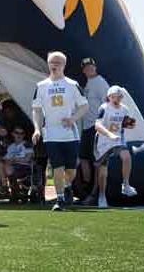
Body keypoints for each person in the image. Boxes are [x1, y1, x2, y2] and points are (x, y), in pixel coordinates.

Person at [32, 51, 88, 211]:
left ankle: (68, 184)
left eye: (58, 63)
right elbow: (36, 109)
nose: (54, 65)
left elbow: (84, 106)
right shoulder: (41, 86)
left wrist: (73, 119)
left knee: (70, 170)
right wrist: (37, 128)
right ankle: (60, 199)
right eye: (52, 62)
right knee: (57, 167)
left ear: (64, 65)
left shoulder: (72, 84)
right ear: (48, 64)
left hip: (70, 133)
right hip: (51, 133)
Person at [94, 85, 138, 208]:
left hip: (118, 139)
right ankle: (102, 196)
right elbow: (97, 125)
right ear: (109, 97)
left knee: (126, 157)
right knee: (103, 172)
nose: (116, 99)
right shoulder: (104, 108)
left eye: (118, 97)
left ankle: (126, 184)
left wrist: (130, 125)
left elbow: (124, 124)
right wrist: (109, 134)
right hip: (103, 140)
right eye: (113, 96)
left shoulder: (124, 109)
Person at [79, 57, 110, 205]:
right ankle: (87, 190)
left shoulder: (100, 82)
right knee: (84, 159)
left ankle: (95, 193)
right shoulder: (89, 83)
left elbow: (108, 103)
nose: (89, 69)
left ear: (95, 67)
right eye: (86, 67)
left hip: (96, 126)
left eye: (91, 66)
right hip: (87, 126)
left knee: (97, 161)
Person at [3, 126, 34, 200]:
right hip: (12, 166)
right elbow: (6, 159)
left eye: (21, 133)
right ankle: (7, 187)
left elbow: (27, 159)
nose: (19, 135)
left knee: (8, 168)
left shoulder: (27, 145)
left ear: (24, 135)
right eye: (17, 133)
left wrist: (14, 159)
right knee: (1, 165)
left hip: (24, 167)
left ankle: (14, 190)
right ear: (13, 134)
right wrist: (13, 160)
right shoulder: (10, 146)